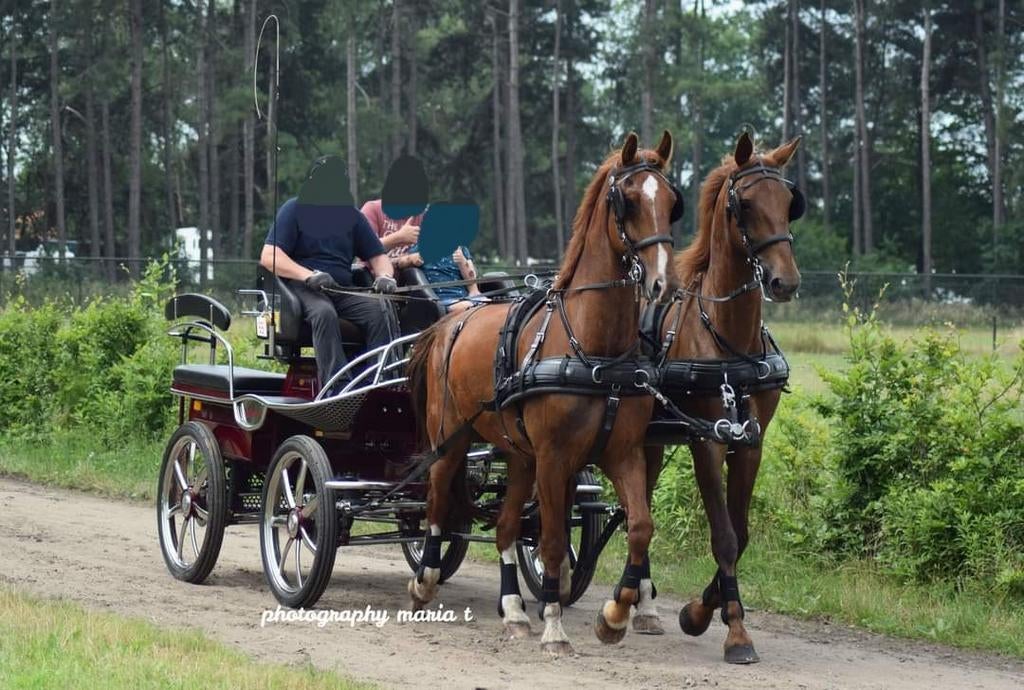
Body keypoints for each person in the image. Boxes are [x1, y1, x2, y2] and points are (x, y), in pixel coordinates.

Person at [259, 156, 398, 392]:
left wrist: (385, 276)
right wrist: (309, 275)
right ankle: (337, 387)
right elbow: (269, 255)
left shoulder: (352, 216)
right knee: (324, 312)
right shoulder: (294, 209)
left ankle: (378, 382)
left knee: (379, 310)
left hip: (341, 289)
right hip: (302, 288)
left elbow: (378, 256)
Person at [409, 244, 488, 313]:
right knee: (466, 307)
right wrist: (412, 259)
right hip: (440, 300)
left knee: (490, 306)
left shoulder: (460, 248)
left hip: (464, 297)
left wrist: (463, 261)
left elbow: (471, 278)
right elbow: (402, 261)